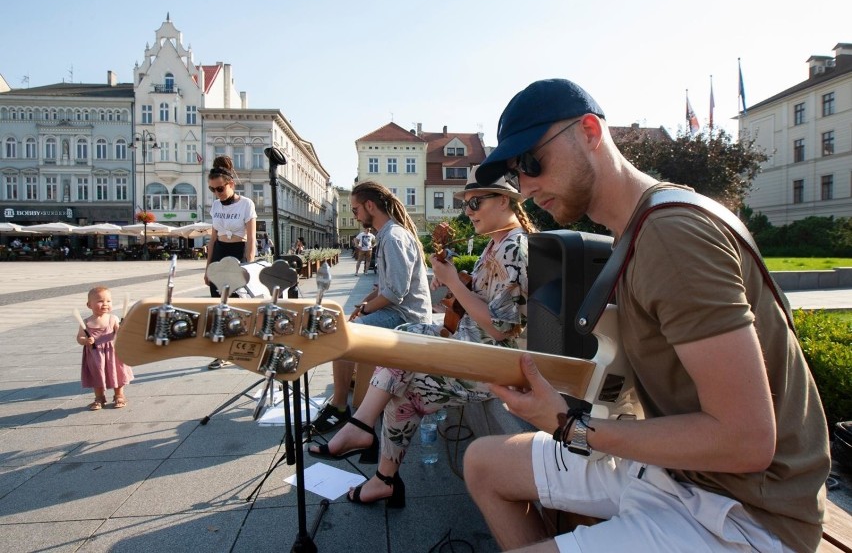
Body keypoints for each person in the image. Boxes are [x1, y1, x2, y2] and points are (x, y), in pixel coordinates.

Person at [462, 79, 830, 552]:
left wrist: (572, 427)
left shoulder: (671, 236)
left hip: (747, 512)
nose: (527, 189)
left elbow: (747, 439)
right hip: (685, 475)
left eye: (532, 162)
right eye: (516, 174)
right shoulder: (640, 227)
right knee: (484, 464)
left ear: (591, 132)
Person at [308, 169, 536, 508]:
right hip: (468, 344)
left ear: (504, 200)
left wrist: (453, 282)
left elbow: (501, 328)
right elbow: (482, 298)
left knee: (406, 381)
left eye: (475, 202)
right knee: (402, 344)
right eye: (466, 205)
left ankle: (368, 444)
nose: (468, 211)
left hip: (493, 363)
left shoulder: (514, 248)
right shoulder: (496, 244)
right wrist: (456, 280)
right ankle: (374, 455)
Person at [310, 181, 432, 434]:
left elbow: (396, 293)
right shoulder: (386, 234)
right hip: (398, 311)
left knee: (342, 335)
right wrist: (364, 303)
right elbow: (385, 286)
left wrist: (365, 312)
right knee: (346, 325)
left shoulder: (393, 237)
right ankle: (349, 402)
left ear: (369, 206)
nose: (354, 216)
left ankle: (340, 407)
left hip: (408, 318)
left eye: (355, 210)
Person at [204, 155, 257, 370]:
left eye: (219, 189)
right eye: (212, 189)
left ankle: (243, 345)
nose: (217, 193)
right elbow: (212, 239)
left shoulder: (246, 204)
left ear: (231, 184)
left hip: (237, 253)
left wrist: (249, 266)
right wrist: (207, 268)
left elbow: (251, 239)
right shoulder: (216, 206)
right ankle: (223, 352)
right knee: (220, 305)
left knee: (237, 303)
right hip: (219, 252)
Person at [76, 286, 133, 410]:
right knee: (97, 374)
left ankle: (119, 395)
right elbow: (79, 338)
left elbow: (120, 334)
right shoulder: (86, 322)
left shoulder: (113, 319)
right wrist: (85, 340)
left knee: (116, 373)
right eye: (100, 301)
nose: (105, 304)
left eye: (108, 301)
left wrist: (122, 330)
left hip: (112, 353)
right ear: (89, 305)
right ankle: (99, 397)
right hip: (95, 355)